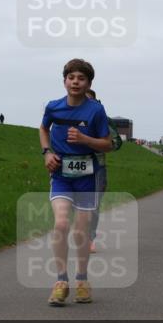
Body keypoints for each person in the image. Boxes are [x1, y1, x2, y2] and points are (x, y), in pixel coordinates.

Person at [40, 60, 112, 306]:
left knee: (81, 231)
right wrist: (47, 153)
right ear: (65, 81)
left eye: (81, 78)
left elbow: (108, 144)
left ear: (89, 83)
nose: (76, 82)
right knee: (60, 224)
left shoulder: (95, 111)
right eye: (71, 77)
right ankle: (61, 281)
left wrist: (84, 139)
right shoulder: (53, 107)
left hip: (86, 177)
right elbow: (43, 128)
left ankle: (82, 279)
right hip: (60, 175)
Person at [85, 89, 122, 254]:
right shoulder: (69, 115)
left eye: (89, 99)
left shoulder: (103, 119)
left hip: (97, 166)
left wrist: (102, 144)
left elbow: (117, 142)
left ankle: (89, 239)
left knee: (94, 204)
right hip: (72, 166)